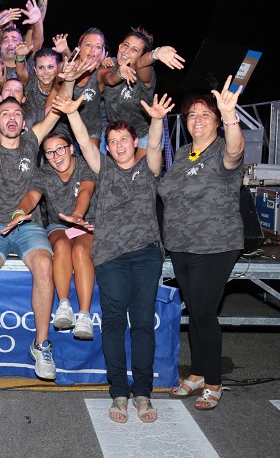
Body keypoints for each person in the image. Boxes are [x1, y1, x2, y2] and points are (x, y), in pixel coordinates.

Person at [0, 60, 81, 381]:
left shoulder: (32, 140)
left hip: (27, 225)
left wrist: (68, 80)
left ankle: (42, 345)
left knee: (44, 264)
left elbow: (57, 109)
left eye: (17, 114)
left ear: (23, 122)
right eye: (5, 114)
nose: (11, 117)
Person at [66, 90, 173, 423]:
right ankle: (119, 393)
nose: (119, 145)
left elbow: (154, 146)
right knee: (113, 323)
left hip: (145, 255)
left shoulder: (147, 168)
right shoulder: (105, 169)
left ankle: (143, 393)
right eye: (112, 141)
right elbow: (84, 143)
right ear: (108, 148)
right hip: (110, 256)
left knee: (142, 323)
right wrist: (72, 113)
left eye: (124, 139)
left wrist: (157, 120)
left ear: (133, 141)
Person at [158, 76, 245, 411]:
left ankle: (214, 382)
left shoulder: (223, 149)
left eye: (205, 114)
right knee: (194, 312)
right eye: (192, 114)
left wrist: (230, 114)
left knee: (205, 313)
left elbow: (236, 151)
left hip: (214, 245)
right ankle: (196, 374)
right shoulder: (183, 153)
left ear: (216, 121)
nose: (198, 119)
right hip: (182, 244)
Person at [1, 129, 97, 340]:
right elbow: (32, 196)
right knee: (61, 245)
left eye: (60, 149)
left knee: (80, 251)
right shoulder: (44, 173)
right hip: (60, 226)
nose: (56, 156)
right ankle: (64, 306)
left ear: (71, 149)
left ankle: (84, 315)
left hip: (86, 224)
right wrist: (19, 212)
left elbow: (86, 191)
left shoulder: (85, 166)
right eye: (50, 152)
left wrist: (77, 215)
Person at [98, 27, 184, 157]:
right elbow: (108, 79)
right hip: (117, 133)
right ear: (120, 46)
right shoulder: (109, 65)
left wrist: (156, 53)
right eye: (126, 45)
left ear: (141, 55)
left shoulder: (144, 73)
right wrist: (119, 73)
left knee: (140, 169)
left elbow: (142, 64)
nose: (127, 51)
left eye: (135, 49)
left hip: (144, 133)